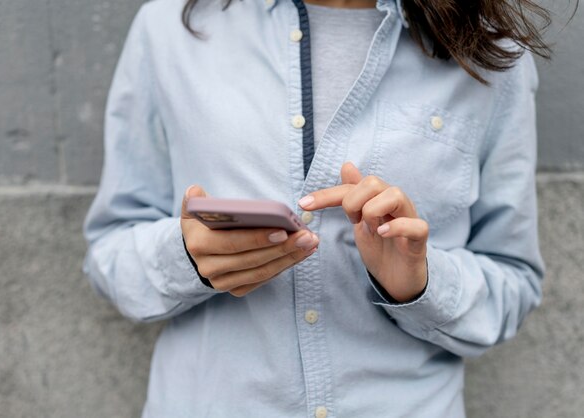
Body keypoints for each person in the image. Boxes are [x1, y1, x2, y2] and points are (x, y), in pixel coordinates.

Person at [82, 0, 560, 416]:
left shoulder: (490, 56)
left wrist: (421, 282)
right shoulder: (167, 29)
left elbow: (513, 281)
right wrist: (185, 257)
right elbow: (110, 256)